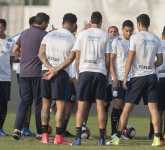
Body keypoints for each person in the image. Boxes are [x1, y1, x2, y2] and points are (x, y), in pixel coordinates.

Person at [106, 14, 163, 147]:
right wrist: (150, 67)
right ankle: (157, 139)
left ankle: (117, 138)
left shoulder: (135, 37)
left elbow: (130, 58)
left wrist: (125, 76)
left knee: (126, 109)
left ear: (138, 24)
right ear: (148, 24)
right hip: (152, 76)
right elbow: (160, 61)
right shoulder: (155, 38)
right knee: (154, 109)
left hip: (138, 77)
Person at [70, 11, 111, 146]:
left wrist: (78, 72)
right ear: (100, 22)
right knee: (100, 106)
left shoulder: (82, 34)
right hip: (99, 72)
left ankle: (77, 138)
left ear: (90, 21)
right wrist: (107, 74)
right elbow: (107, 58)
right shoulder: (105, 35)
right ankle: (101, 139)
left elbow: (77, 56)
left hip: (85, 71)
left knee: (81, 105)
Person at [39, 13, 77, 144]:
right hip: (60, 74)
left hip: (45, 71)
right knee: (60, 107)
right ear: (74, 25)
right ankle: (58, 137)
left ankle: (44, 136)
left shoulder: (49, 35)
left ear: (62, 23)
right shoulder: (73, 38)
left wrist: (49, 68)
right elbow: (70, 59)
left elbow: (40, 54)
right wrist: (55, 70)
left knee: (45, 105)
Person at [12, 12, 50, 140]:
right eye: (47, 23)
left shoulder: (24, 33)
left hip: (23, 72)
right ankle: (40, 132)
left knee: (25, 101)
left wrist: (24, 57)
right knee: (39, 103)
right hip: (37, 73)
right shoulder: (44, 35)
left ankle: (17, 129)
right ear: (44, 23)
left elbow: (15, 50)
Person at [12, 16, 37, 137]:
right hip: (24, 71)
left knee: (28, 100)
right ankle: (22, 127)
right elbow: (11, 48)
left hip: (24, 71)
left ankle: (23, 127)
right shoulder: (21, 34)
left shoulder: (25, 34)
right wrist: (24, 57)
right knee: (28, 100)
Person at [109, 20, 134, 138]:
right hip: (119, 78)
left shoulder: (135, 41)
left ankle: (122, 131)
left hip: (131, 78)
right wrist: (114, 77)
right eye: (127, 30)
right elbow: (111, 61)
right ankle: (114, 132)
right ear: (122, 29)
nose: (129, 33)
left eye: (131, 30)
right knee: (117, 103)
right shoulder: (116, 41)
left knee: (126, 107)